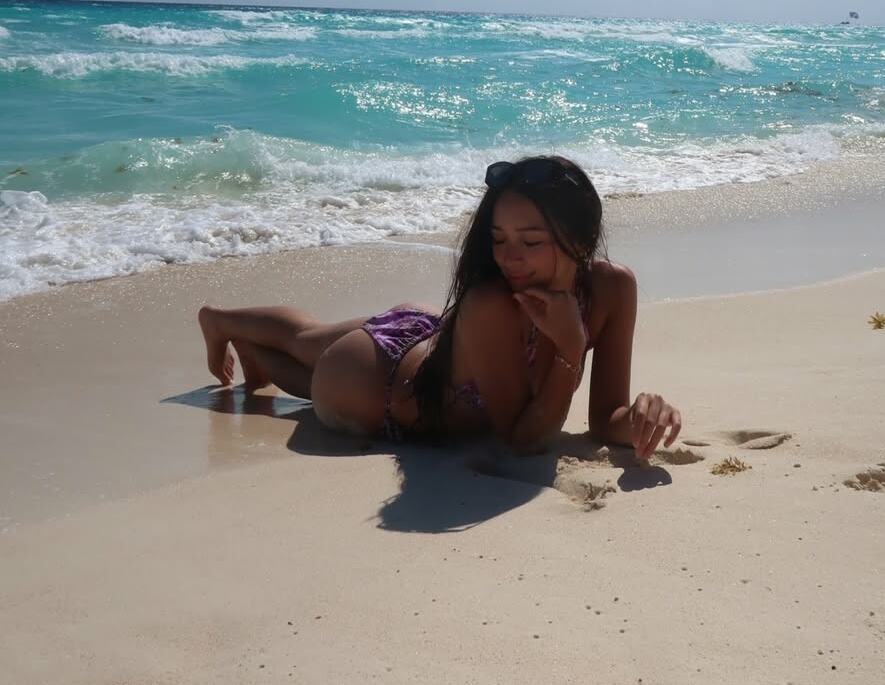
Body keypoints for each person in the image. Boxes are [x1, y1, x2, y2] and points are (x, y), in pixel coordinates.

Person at [197, 156, 681, 459]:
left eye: (531, 241)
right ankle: (220, 319)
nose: (508, 258)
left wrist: (641, 416)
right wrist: (570, 345)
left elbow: (605, 418)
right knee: (306, 348)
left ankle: (253, 354)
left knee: (301, 346)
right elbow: (525, 439)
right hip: (372, 383)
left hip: (433, 340)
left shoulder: (612, 289)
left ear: (580, 239)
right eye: (498, 239)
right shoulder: (492, 302)